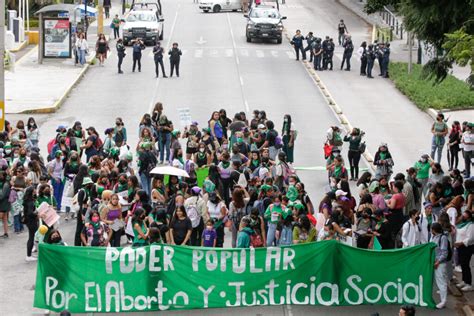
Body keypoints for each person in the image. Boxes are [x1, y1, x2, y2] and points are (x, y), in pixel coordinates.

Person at [431, 222, 450, 309]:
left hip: (440, 264)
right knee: (441, 281)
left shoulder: (443, 238)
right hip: (436, 262)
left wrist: (438, 262)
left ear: (434, 230)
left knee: (441, 282)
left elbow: (444, 252)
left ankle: (443, 301)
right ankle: (443, 300)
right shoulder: (434, 236)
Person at [454, 210, 473, 292]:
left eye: (464, 216)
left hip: (466, 247)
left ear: (468, 217)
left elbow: (470, 238)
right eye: (462, 216)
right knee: (462, 264)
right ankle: (464, 281)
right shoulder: (461, 225)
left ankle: (469, 283)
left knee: (465, 264)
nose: (463, 217)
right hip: (460, 247)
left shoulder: (471, 225)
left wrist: (461, 243)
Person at [23, 186, 38, 261]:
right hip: (31, 221)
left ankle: (29, 255)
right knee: (32, 237)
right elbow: (30, 213)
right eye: (34, 190)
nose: (35, 191)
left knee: (31, 237)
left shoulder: (28, 200)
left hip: (29, 221)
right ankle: (28, 255)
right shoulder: (30, 202)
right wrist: (37, 214)